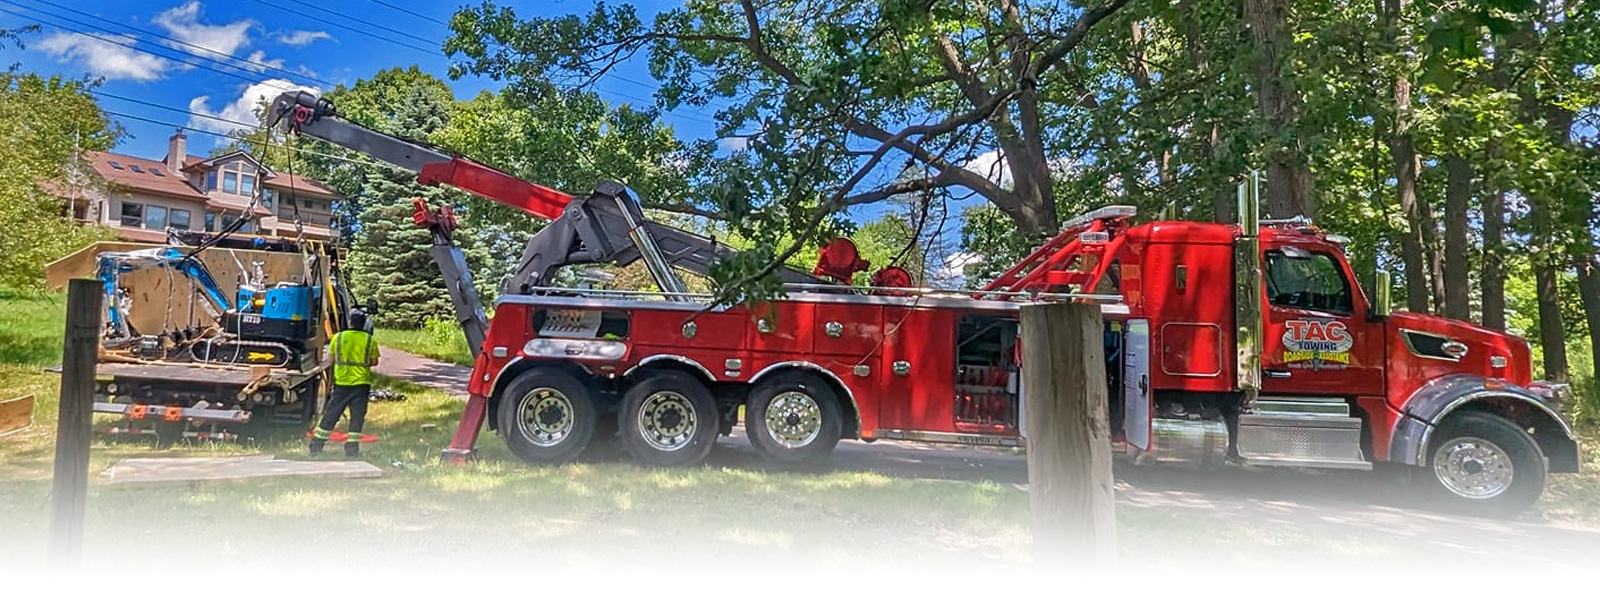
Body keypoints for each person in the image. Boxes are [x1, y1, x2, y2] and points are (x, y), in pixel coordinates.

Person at [310, 308, 379, 458]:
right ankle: (352, 449)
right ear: (364, 324)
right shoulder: (370, 340)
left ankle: (317, 444)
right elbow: (374, 362)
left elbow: (331, 360)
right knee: (357, 417)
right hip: (361, 383)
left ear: (350, 323)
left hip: (342, 383)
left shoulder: (338, 338)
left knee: (331, 414)